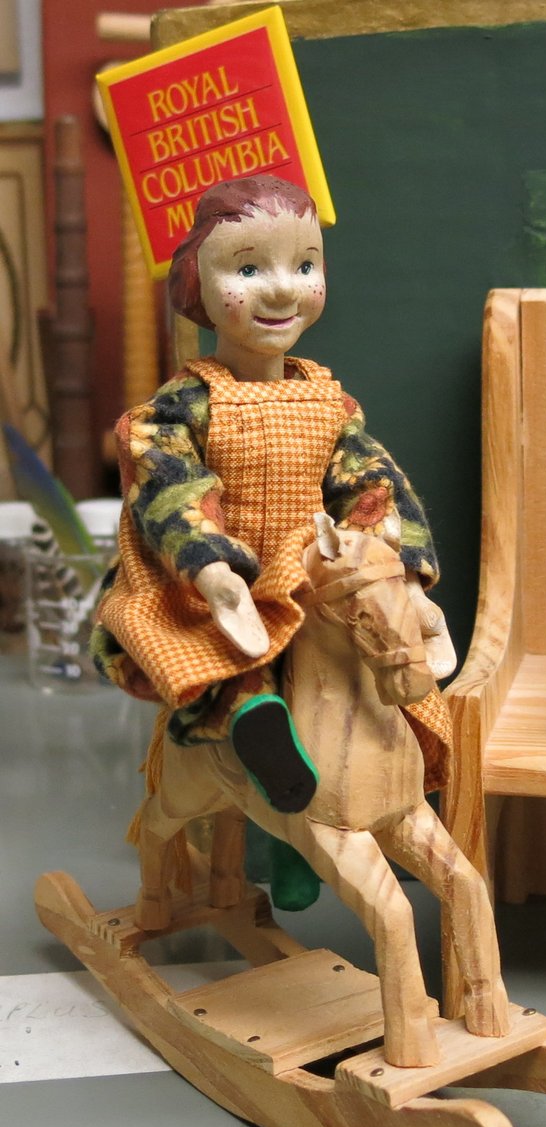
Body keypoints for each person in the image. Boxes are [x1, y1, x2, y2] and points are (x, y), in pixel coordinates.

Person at [92, 175, 454, 901]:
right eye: (249, 268)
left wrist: (402, 570)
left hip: (308, 571)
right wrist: (212, 569)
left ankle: (311, 825)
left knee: (364, 678)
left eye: (305, 264)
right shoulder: (180, 407)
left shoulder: (330, 401)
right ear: (197, 283)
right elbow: (170, 484)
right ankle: (249, 718)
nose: (283, 288)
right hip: (213, 583)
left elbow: (371, 480)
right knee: (216, 655)